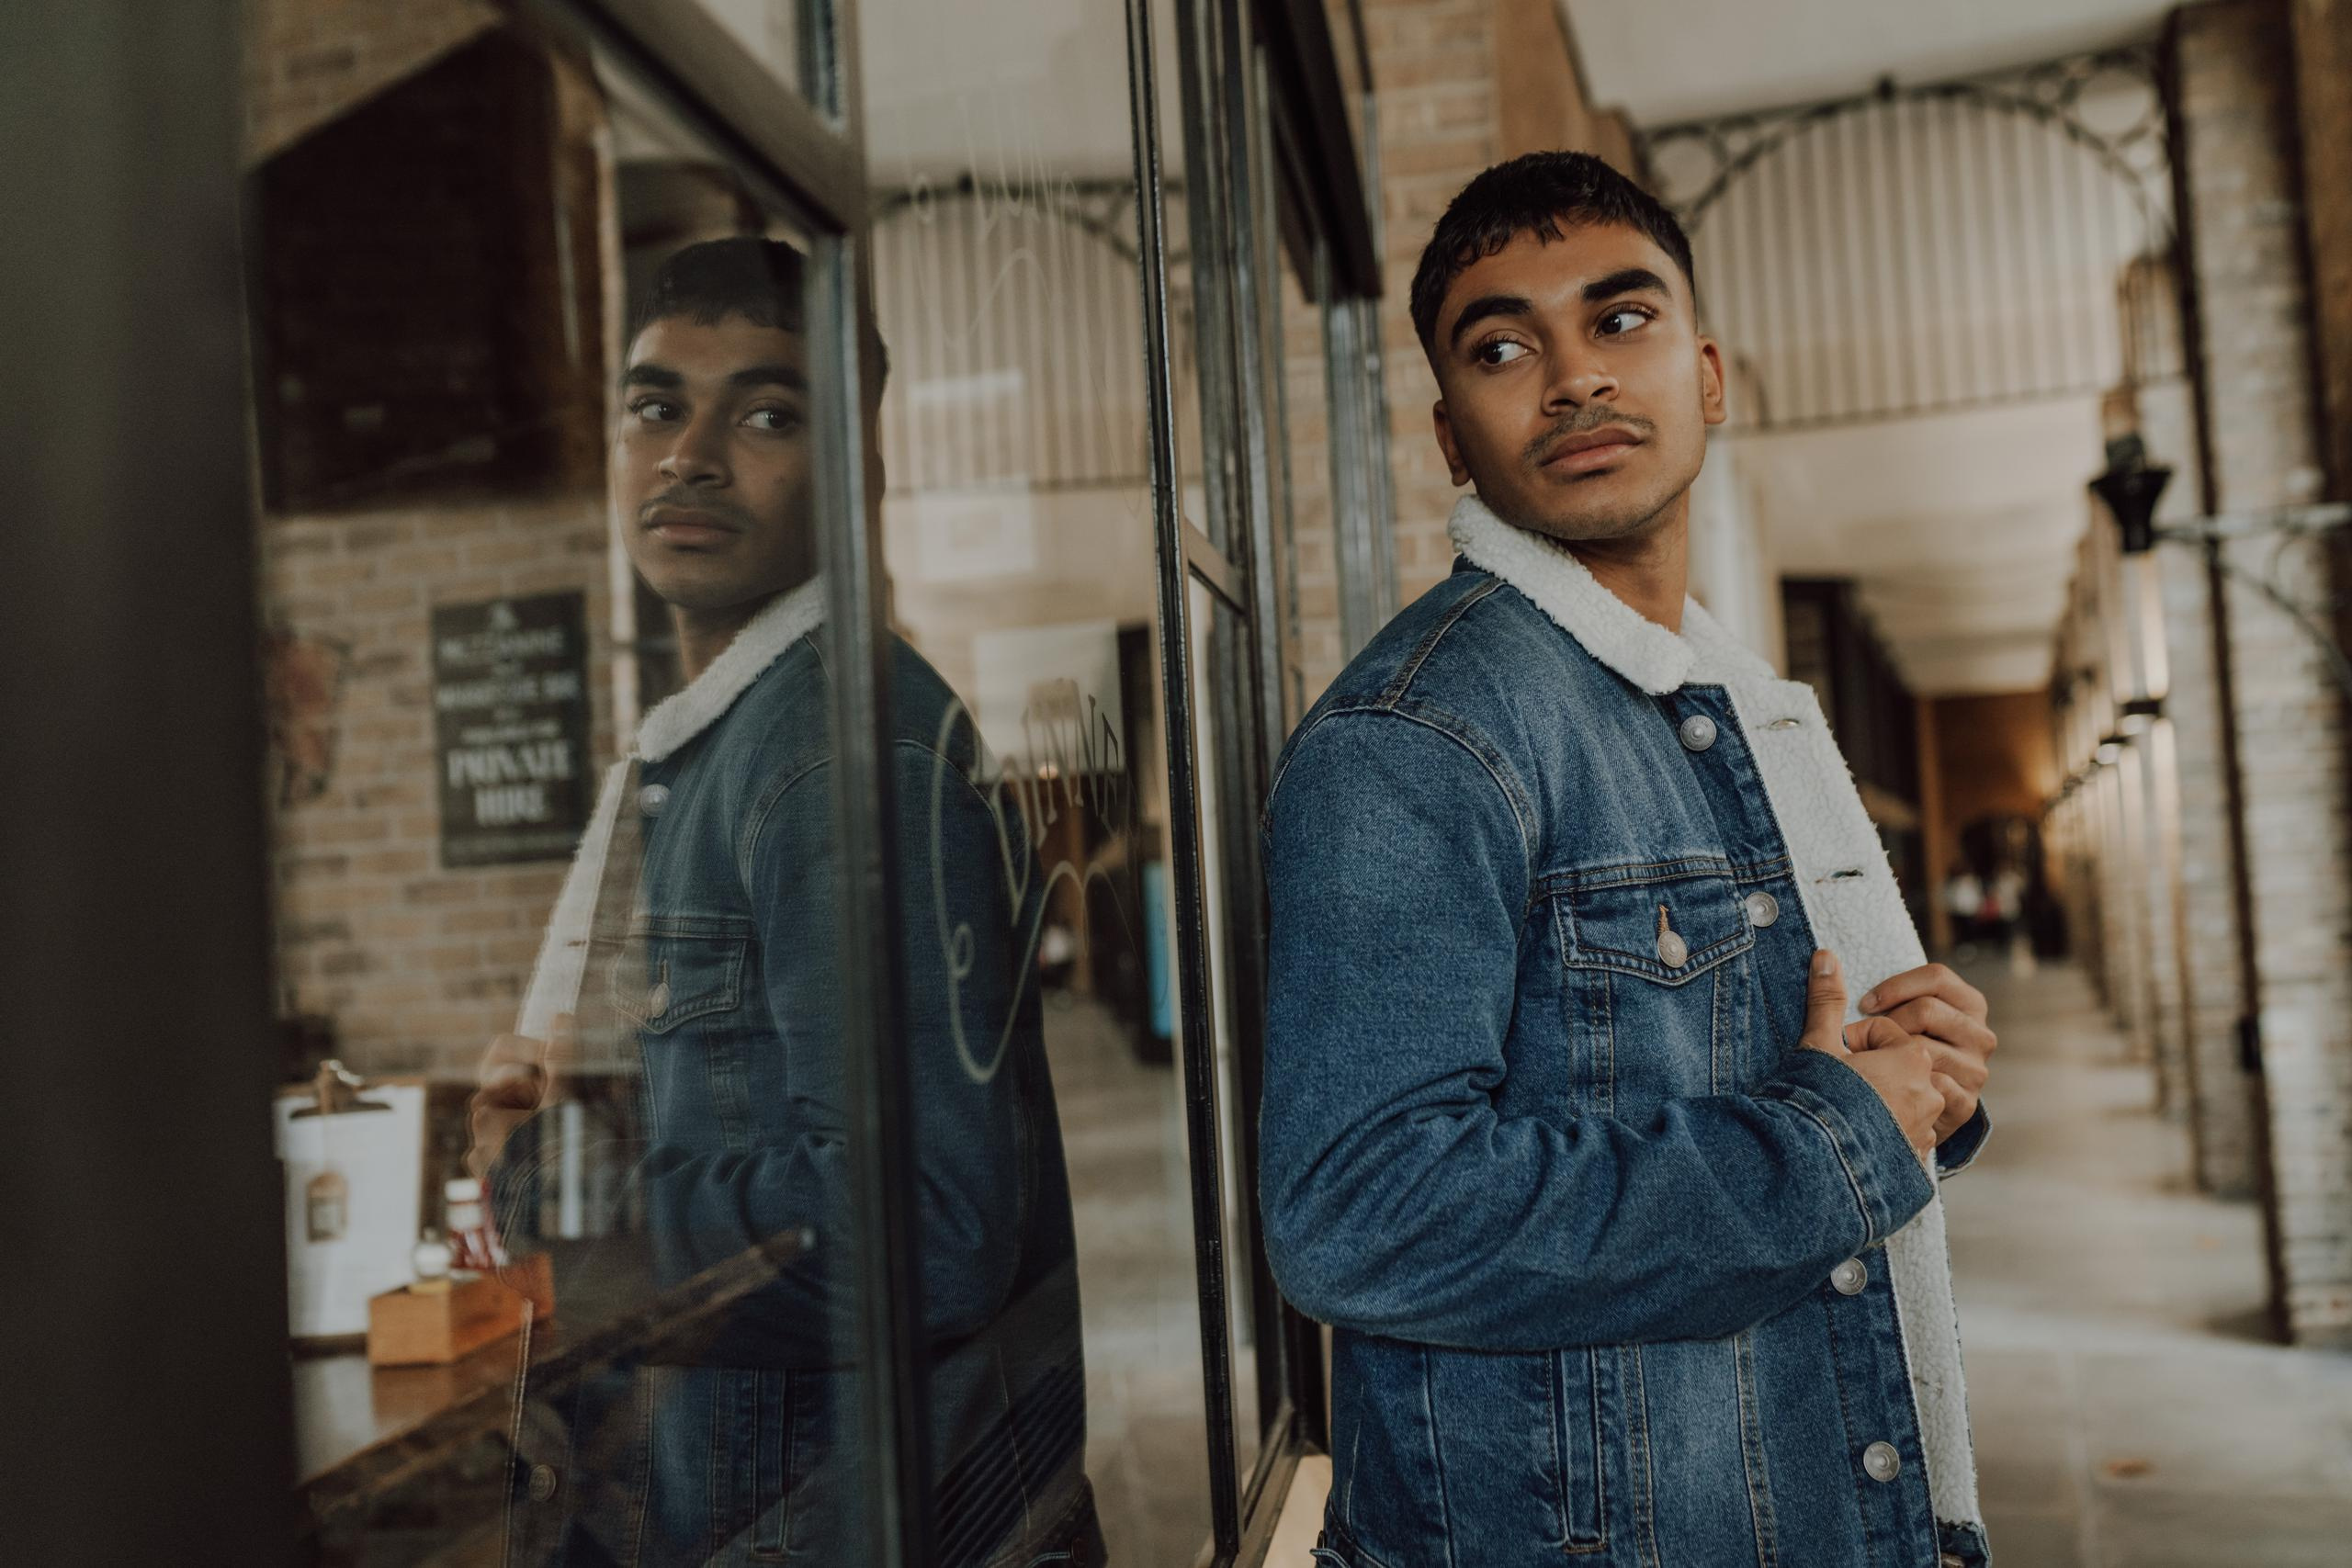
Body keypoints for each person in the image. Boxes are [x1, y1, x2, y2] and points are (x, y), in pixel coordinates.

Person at [1258, 153, 1997, 1568]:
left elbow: (1752, 1077)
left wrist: (1911, 1082)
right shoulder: (1416, 738)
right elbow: (1359, 1219)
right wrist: (1836, 1140)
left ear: (1709, 375)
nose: (1573, 378)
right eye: (1502, 346)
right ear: (1451, 439)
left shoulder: (1728, 705)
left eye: (1620, 319)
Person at [467, 237, 1102, 1567]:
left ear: (852, 471)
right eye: (655, 406)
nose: (689, 453)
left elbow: (925, 1234)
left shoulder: (830, 755)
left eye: (764, 413)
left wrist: (551, 1194)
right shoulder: (721, 739)